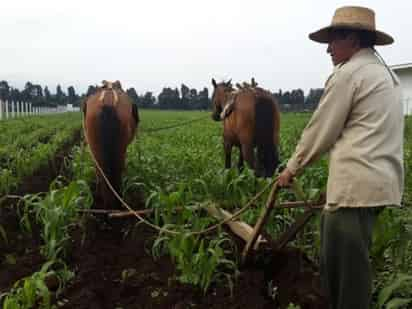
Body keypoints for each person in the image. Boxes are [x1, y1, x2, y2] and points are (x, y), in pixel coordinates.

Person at [278, 6, 404, 309]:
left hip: (353, 191)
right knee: (353, 267)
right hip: (378, 186)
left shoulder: (349, 74)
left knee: (344, 276)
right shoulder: (384, 74)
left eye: (333, 40)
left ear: (353, 39)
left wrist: (291, 169)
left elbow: (321, 128)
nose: (328, 49)